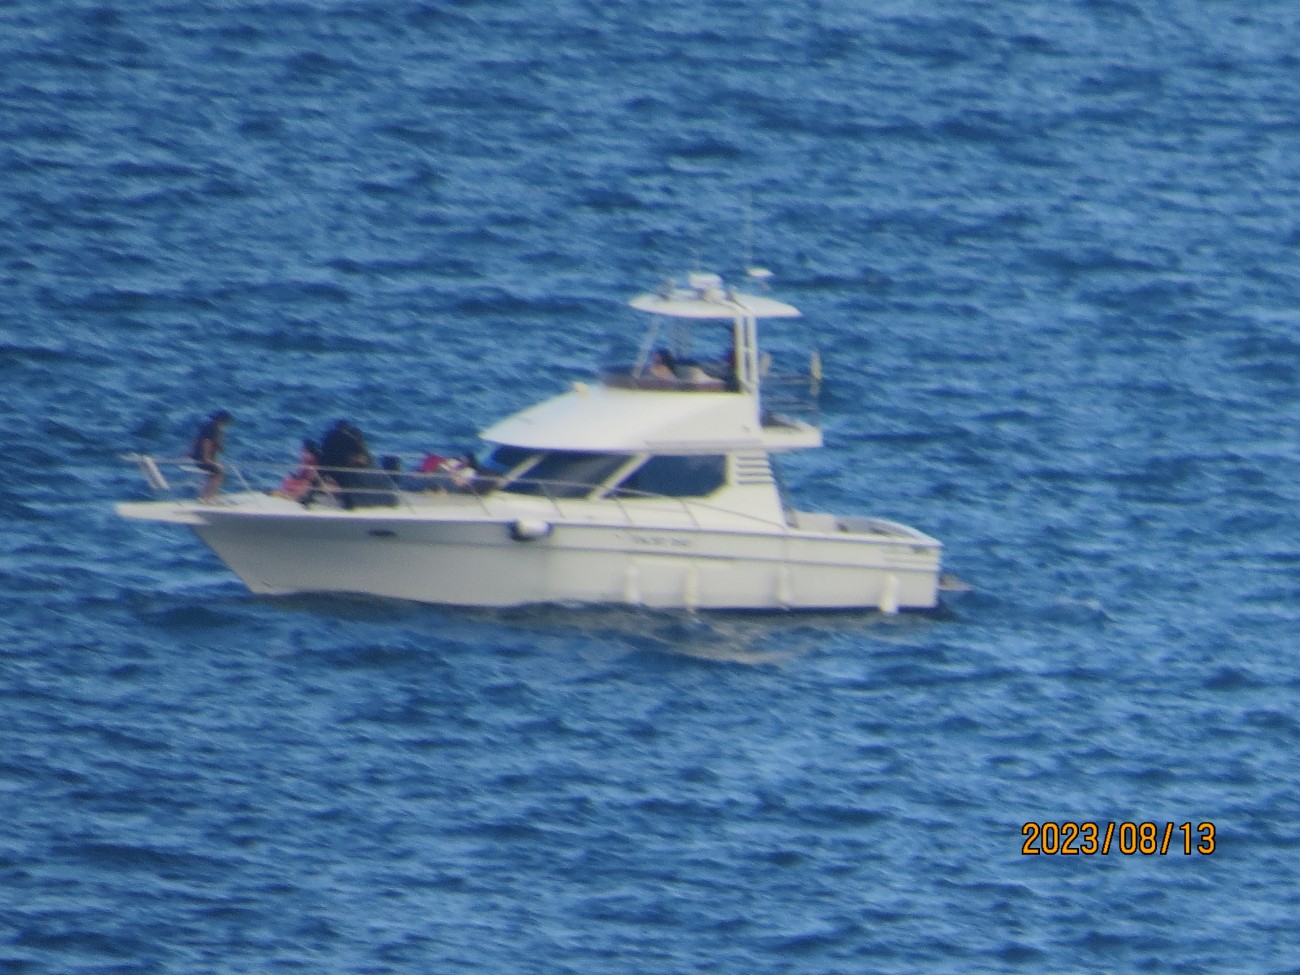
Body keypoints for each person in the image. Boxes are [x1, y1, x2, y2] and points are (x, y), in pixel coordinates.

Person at [191, 409, 233, 501]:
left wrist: (189, 453)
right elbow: (207, 442)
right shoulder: (213, 427)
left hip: (198, 456)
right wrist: (206, 458)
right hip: (203, 457)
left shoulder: (208, 425)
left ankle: (205, 496)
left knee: (213, 474)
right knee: (219, 471)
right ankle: (210, 497)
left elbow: (196, 440)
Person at [273, 439, 321, 503]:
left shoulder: (312, 464)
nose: (302, 453)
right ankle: (287, 493)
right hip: (301, 482)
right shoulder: (306, 462)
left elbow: (309, 479)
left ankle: (293, 496)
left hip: (304, 486)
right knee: (288, 477)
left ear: (310, 453)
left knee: (301, 482)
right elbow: (301, 475)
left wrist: (296, 479)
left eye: (304, 451)